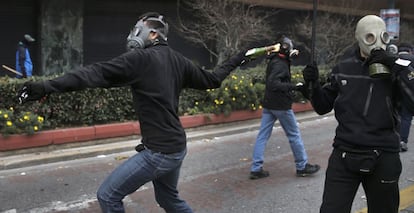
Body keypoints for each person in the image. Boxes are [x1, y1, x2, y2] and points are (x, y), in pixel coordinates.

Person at [17, 12, 248, 213]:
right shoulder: (179, 60)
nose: (132, 34)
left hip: (161, 152)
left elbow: (95, 73)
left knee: (108, 195)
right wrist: (239, 57)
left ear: (154, 34)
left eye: (137, 29)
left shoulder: (141, 58)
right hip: (176, 146)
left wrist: (46, 86)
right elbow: (214, 79)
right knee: (167, 197)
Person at [302, 15, 413, 213]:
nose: (377, 43)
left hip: (384, 155)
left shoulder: (398, 66)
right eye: (370, 37)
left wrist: (395, 66)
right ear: (358, 37)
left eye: (383, 37)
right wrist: (313, 86)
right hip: (344, 153)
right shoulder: (344, 66)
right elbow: (323, 106)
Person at [249, 36, 320, 180]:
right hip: (280, 105)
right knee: (294, 135)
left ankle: (256, 168)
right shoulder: (280, 64)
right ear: (286, 49)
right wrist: (295, 86)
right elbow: (274, 84)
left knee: (262, 136)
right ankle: (302, 166)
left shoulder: (275, 60)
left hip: (269, 104)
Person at [397, 43, 414, 152]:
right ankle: (402, 141)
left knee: (393, 116)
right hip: (409, 95)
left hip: (395, 94)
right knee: (406, 118)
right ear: (410, 51)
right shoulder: (413, 60)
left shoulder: (393, 59)